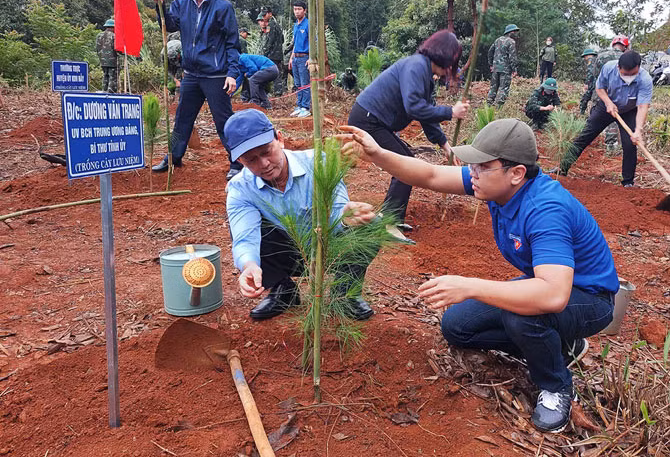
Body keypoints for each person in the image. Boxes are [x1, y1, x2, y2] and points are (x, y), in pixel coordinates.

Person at [339, 118, 618, 433]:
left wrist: (469, 286)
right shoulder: (497, 185)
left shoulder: (546, 210)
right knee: (457, 327)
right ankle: (562, 346)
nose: (472, 172)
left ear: (516, 173)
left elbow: (553, 295)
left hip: (589, 300)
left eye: (482, 166)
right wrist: (376, 153)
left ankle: (556, 387)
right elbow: (429, 174)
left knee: (523, 317)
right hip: (546, 286)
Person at [225, 109, 376, 321]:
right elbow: (245, 236)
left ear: (280, 139)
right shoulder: (240, 188)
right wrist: (249, 266)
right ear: (241, 161)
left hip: (328, 247)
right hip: (287, 253)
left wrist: (345, 216)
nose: (264, 164)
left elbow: (336, 208)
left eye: (267, 151)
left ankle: (344, 293)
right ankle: (283, 289)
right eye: (251, 160)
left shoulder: (318, 162)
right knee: (242, 224)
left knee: (372, 225)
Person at [346, 30, 469, 230]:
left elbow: (424, 114)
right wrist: (451, 112)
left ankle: (392, 219)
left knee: (405, 161)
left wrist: (446, 145)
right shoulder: (416, 66)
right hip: (368, 119)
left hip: (377, 121)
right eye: (452, 64)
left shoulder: (424, 71)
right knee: (404, 166)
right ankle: (389, 223)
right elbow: (414, 107)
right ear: (445, 56)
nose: (449, 71)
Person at [151, 0, 243, 180]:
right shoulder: (182, 2)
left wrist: (232, 74)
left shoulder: (223, 7)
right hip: (191, 73)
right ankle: (174, 156)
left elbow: (233, 44)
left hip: (216, 74)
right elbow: (170, 24)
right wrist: (159, 4)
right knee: (183, 117)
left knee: (224, 121)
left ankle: (237, 161)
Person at [558, 50, 653, 187]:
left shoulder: (645, 79)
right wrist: (608, 102)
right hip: (607, 105)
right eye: (625, 74)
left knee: (630, 145)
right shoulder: (609, 68)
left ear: (638, 68)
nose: (629, 77)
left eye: (633, 74)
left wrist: (638, 130)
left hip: (629, 111)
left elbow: (643, 106)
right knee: (585, 135)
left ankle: (628, 182)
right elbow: (600, 88)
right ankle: (562, 168)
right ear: (618, 68)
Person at [591, 36, 630, 153]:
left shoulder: (601, 55)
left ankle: (606, 143)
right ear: (625, 46)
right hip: (619, 93)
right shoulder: (627, 57)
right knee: (619, 118)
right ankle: (618, 146)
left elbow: (595, 75)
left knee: (600, 117)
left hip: (601, 91)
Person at [289, 1, 311, 118]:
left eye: (299, 9)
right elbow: (295, 43)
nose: (297, 11)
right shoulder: (295, 25)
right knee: (297, 84)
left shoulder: (308, 24)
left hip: (304, 57)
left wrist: (311, 58)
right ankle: (299, 105)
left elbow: (314, 41)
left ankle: (306, 107)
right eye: (295, 9)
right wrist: (291, 58)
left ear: (304, 10)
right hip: (296, 57)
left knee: (305, 83)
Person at [487, 24, 519, 106]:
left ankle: (489, 105)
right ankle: (498, 107)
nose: (515, 33)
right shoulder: (511, 42)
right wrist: (514, 69)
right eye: (515, 31)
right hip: (505, 69)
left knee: (493, 87)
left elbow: (490, 52)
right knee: (503, 88)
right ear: (511, 32)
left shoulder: (497, 40)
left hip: (495, 68)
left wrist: (491, 64)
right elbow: (512, 57)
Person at [259, 7, 285, 95]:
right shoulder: (277, 24)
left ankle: (272, 92)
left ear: (270, 14)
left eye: (265, 14)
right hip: (278, 53)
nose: (263, 16)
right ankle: (278, 92)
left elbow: (270, 40)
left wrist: (265, 53)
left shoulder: (271, 24)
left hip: (272, 54)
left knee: (270, 73)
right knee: (278, 73)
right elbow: (282, 39)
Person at [95, 19, 118, 93]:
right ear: (112, 27)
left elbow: (97, 48)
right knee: (112, 77)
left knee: (105, 76)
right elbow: (116, 48)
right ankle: (111, 92)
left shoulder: (99, 35)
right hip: (112, 60)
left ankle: (104, 90)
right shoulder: (114, 36)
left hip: (102, 60)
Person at [578, 48, 598, 115]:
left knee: (585, 98)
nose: (584, 58)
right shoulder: (597, 60)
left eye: (584, 57)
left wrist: (587, 83)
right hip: (599, 84)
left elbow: (590, 73)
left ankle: (581, 113)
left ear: (587, 55)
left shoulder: (591, 61)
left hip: (593, 84)